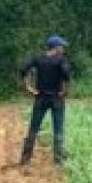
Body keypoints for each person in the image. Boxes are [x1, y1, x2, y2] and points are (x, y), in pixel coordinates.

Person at [20, 35, 71, 166]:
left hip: (41, 97)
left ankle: (25, 159)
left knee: (33, 128)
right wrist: (65, 91)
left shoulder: (38, 58)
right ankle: (58, 162)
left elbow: (23, 69)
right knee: (58, 129)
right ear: (56, 47)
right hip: (56, 98)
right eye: (62, 46)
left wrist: (28, 87)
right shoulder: (61, 60)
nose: (63, 49)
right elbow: (66, 74)